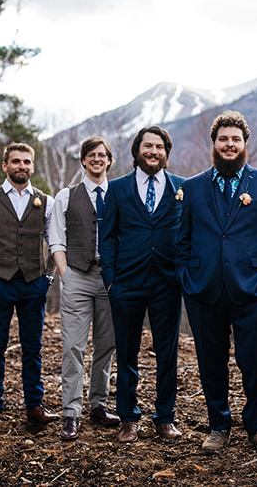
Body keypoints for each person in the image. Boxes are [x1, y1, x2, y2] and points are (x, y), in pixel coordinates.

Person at [175, 111, 257, 453]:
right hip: (203, 290)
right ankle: (218, 426)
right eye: (223, 139)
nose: (229, 144)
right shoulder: (192, 187)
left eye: (235, 139)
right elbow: (182, 240)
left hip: (254, 290)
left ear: (245, 145)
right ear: (214, 144)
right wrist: (186, 276)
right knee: (211, 362)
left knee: (255, 362)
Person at [0, 143, 60, 432]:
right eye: (16, 161)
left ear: (32, 166)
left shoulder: (46, 201)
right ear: (5, 165)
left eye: (27, 162)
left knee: (33, 348)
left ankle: (34, 405)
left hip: (34, 285)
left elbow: (55, 243)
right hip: (0, 284)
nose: (22, 166)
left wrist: (49, 278)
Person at [99, 126, 186, 443]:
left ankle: (164, 417)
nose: (154, 151)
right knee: (127, 354)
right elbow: (107, 237)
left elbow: (188, 234)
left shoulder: (181, 188)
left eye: (160, 147)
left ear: (166, 152)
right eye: (148, 146)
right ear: (137, 151)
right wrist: (110, 280)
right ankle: (128, 418)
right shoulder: (118, 189)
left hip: (167, 283)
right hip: (126, 284)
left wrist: (183, 272)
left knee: (167, 353)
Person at [47, 136, 121, 441]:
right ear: (83, 160)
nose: (97, 159)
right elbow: (56, 239)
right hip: (77, 274)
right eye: (91, 155)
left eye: (102, 155)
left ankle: (98, 404)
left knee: (106, 346)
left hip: (111, 278)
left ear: (109, 160)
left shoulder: (118, 193)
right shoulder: (66, 196)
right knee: (73, 347)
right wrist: (66, 274)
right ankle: (71, 412)